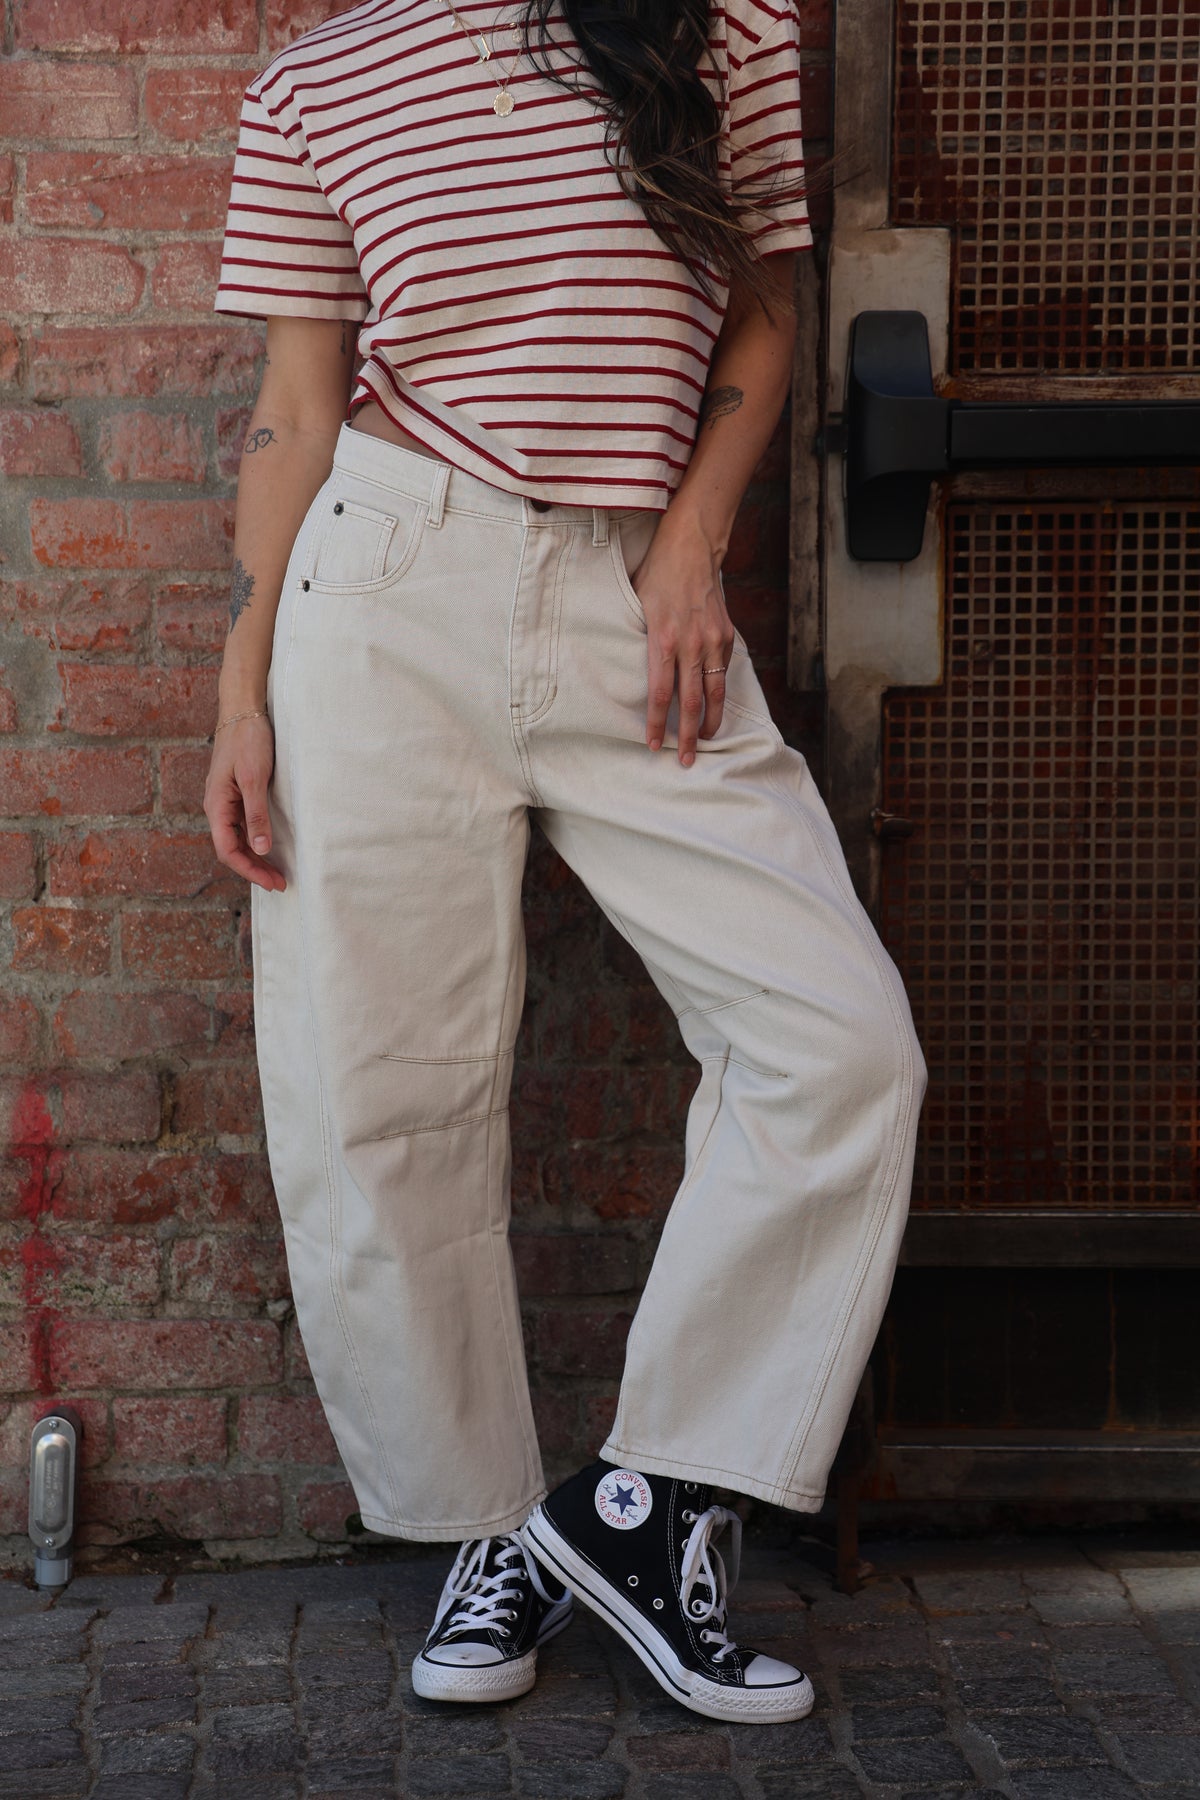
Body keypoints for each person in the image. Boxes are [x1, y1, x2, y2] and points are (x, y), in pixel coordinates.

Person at [205, 0, 927, 1726]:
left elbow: (762, 297)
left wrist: (691, 544)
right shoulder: (319, 77)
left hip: (636, 595)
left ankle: (647, 1495)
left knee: (840, 1047)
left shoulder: (722, 19)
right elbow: (295, 412)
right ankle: (483, 1541)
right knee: (380, 1090)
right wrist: (239, 689)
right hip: (382, 593)